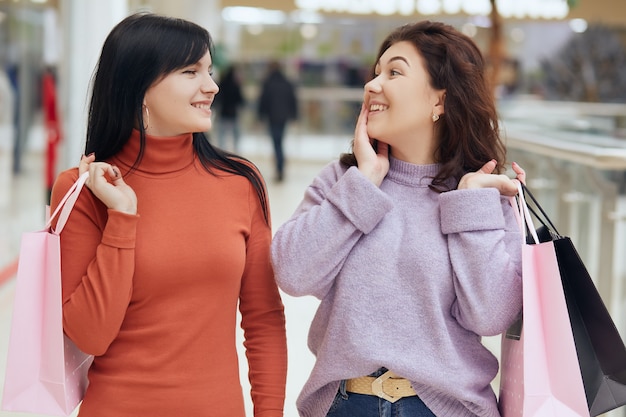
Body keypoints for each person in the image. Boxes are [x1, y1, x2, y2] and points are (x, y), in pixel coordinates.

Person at [270, 20, 526, 417]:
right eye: (376, 74)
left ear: (440, 100)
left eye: (394, 72)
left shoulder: (481, 196)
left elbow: (490, 315)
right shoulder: (343, 182)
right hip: (345, 405)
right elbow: (293, 272)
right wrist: (365, 184)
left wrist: (470, 206)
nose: (372, 86)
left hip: (446, 409)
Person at [49, 13, 287, 417]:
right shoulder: (82, 190)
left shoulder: (241, 182)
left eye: (209, 71)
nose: (211, 86)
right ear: (140, 86)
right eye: (191, 71)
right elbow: (90, 335)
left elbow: (262, 319)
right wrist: (122, 217)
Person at [257, 60, 298, 182]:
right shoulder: (286, 82)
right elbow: (292, 100)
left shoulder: (268, 82)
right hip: (283, 117)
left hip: (272, 117)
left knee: (276, 144)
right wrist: (294, 115)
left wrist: (260, 116)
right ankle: (280, 168)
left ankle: (279, 168)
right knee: (279, 142)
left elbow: (263, 100)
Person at [215, 63, 245, 152]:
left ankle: (222, 151)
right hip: (233, 113)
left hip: (223, 112)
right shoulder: (236, 86)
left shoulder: (222, 84)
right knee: (236, 135)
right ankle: (236, 150)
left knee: (222, 135)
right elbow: (240, 100)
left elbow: (218, 99)